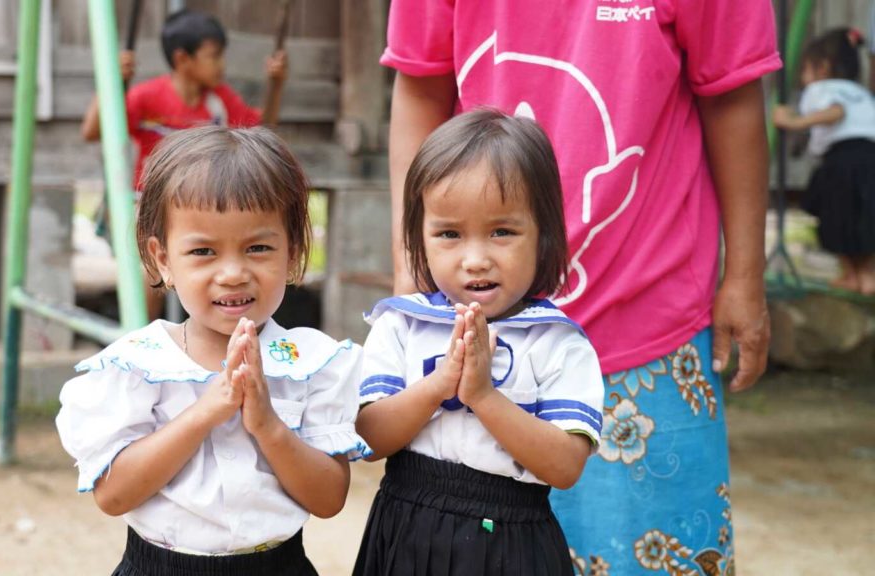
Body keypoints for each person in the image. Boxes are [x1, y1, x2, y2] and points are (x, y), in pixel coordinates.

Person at [378, 1, 778, 572]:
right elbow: (420, 85)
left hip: (649, 318)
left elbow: (732, 93)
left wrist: (743, 276)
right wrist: (409, 263)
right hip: (479, 330)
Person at [56, 125, 370, 575]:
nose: (232, 273)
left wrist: (266, 424)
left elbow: (328, 499)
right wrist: (210, 408)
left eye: (258, 247)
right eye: (203, 251)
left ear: (294, 250)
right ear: (163, 259)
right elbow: (113, 495)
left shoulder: (314, 363)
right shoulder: (137, 364)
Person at [353, 110, 604, 576]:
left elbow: (566, 468)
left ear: (544, 235)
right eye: (449, 234)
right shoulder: (402, 325)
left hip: (514, 545)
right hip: (407, 529)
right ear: (418, 239)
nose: (475, 259)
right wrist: (438, 385)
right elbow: (369, 439)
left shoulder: (557, 342)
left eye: (502, 232)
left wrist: (484, 396)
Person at [81, 9, 288, 319]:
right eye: (213, 56)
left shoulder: (218, 101)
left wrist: (275, 85)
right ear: (183, 59)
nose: (221, 65)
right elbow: (93, 131)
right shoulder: (148, 97)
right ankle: (145, 336)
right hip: (149, 202)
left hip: (200, 205)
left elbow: (262, 132)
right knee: (151, 275)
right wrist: (111, 80)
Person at [773, 28, 875, 295]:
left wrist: (795, 122)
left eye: (805, 69)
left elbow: (835, 113)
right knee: (864, 221)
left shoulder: (822, 89)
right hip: (869, 162)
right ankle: (867, 276)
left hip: (842, 163)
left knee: (836, 219)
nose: (803, 78)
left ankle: (851, 274)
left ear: (823, 67)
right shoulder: (861, 93)